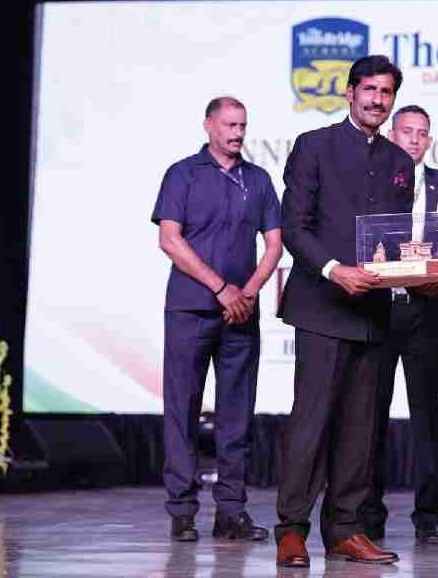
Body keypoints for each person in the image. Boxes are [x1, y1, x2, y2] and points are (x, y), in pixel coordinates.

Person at [274, 55, 414, 568]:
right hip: (321, 307)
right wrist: (335, 270)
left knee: (360, 431)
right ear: (350, 92)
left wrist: (418, 269)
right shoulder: (314, 145)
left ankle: (345, 531)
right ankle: (292, 530)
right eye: (370, 90)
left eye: (386, 92)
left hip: (373, 313)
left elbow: (397, 238)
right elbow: (294, 227)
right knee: (310, 424)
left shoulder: (400, 161)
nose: (378, 100)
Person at [151, 96, 282, 542]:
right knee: (182, 410)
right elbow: (170, 240)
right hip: (189, 310)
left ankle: (231, 513)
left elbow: (275, 245)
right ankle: (182, 512)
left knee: (237, 416)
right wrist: (220, 287)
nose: (237, 133)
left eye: (242, 125)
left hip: (240, 314)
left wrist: (247, 293)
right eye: (229, 124)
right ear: (208, 125)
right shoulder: (182, 174)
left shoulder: (258, 179)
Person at [357, 105, 438, 545]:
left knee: (429, 416)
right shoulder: (370, 180)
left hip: (428, 311)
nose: (414, 139)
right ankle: (368, 516)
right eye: (407, 131)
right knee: (369, 415)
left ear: (429, 141)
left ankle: (428, 518)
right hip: (376, 309)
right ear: (391, 135)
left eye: (422, 133)